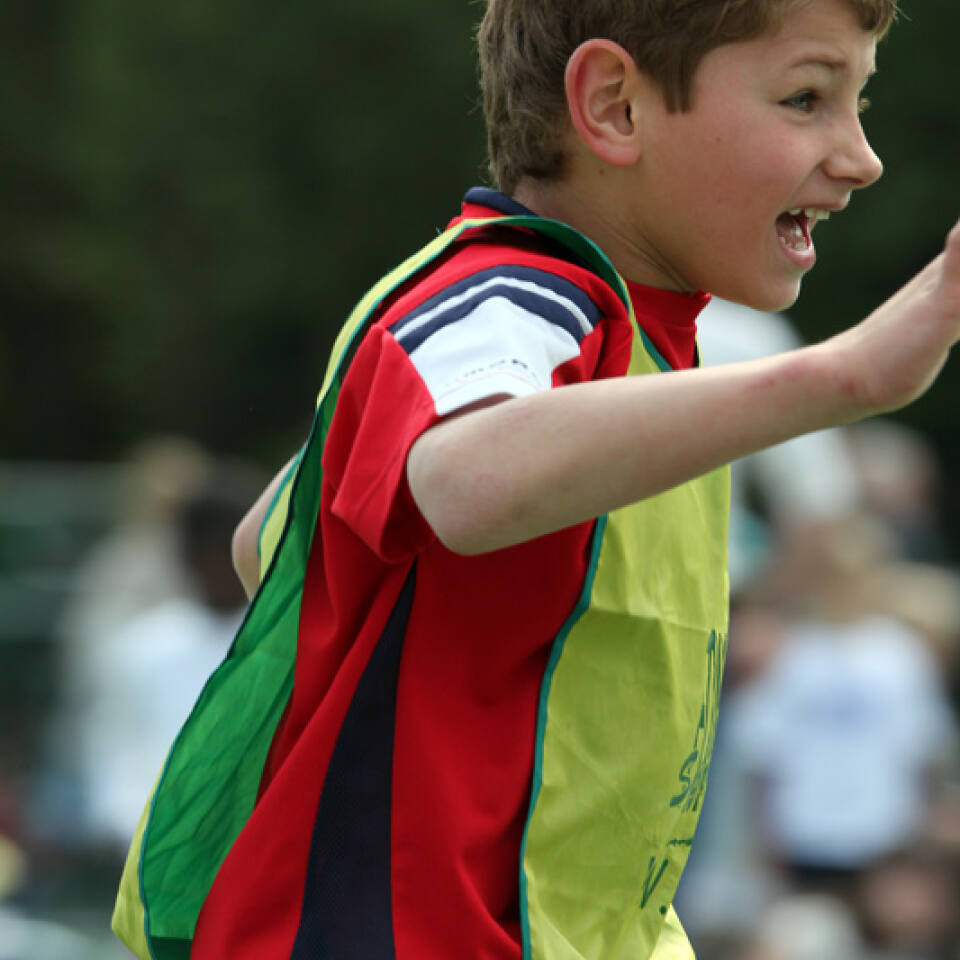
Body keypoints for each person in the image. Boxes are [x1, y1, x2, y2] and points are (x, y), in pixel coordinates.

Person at [113, 1, 960, 958]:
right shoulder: (517, 296)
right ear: (614, 108)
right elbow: (466, 481)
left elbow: (268, 541)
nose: (861, 157)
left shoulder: (639, 338)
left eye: (858, 102)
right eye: (807, 98)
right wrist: (846, 377)